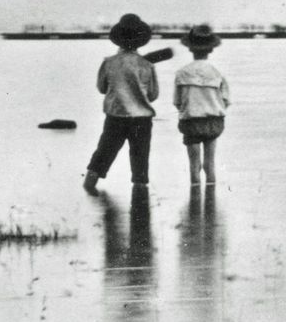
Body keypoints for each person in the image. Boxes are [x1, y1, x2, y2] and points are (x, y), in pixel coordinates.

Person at [83, 13, 159, 195]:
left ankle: (89, 188)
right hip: (141, 118)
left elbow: (102, 88)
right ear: (140, 40)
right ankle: (140, 203)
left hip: (115, 116)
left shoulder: (108, 63)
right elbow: (153, 94)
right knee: (140, 162)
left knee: (103, 154)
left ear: (118, 40)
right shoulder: (147, 65)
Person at [174, 24, 230, 185]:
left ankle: (195, 201)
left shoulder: (182, 73)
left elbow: (177, 101)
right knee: (210, 164)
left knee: (194, 165)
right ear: (211, 50)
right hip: (214, 121)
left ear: (190, 50)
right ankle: (211, 204)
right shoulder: (217, 72)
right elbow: (226, 99)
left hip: (191, 121)